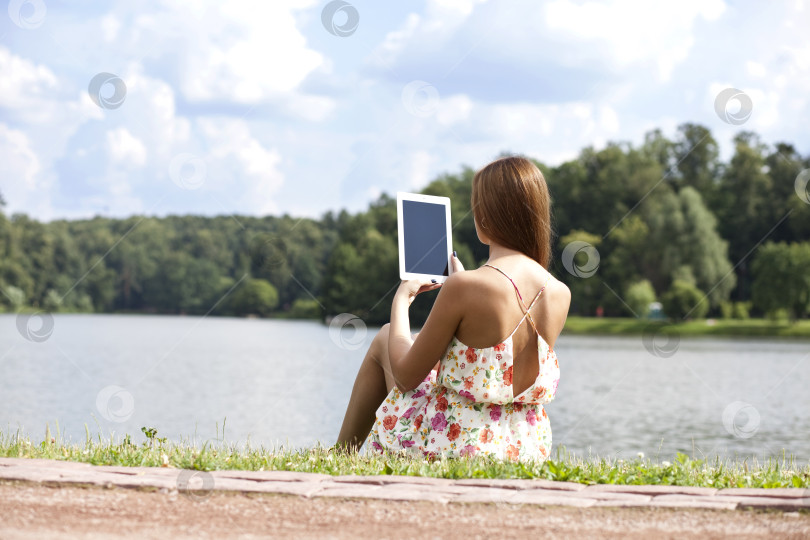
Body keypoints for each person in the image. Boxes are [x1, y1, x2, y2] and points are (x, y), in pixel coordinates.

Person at [336, 156, 571, 461]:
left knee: (385, 336)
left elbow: (406, 377)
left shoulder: (466, 287)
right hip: (524, 449)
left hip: (460, 445)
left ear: (484, 218)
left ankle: (340, 454)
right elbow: (493, 372)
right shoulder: (559, 292)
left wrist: (401, 301)